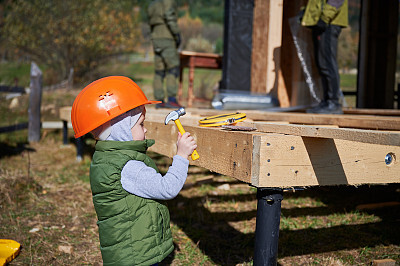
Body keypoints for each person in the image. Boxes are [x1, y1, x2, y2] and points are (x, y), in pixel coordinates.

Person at [71, 76, 197, 265]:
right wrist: (181, 155)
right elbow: (167, 188)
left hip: (130, 250)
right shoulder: (128, 167)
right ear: (121, 131)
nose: (145, 131)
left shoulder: (109, 158)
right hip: (136, 256)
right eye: (140, 125)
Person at [302, 0, 348, 114]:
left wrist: (325, 18)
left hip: (329, 23)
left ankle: (333, 102)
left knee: (327, 63)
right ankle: (327, 101)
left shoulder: (327, 20)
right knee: (322, 63)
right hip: (322, 21)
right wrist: (306, 13)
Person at [147, 0, 182, 108]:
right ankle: (171, 99)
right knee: (173, 69)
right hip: (167, 37)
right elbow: (169, 15)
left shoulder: (152, 4)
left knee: (159, 71)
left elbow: (150, 20)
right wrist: (176, 33)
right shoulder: (168, 1)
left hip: (156, 38)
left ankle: (159, 101)